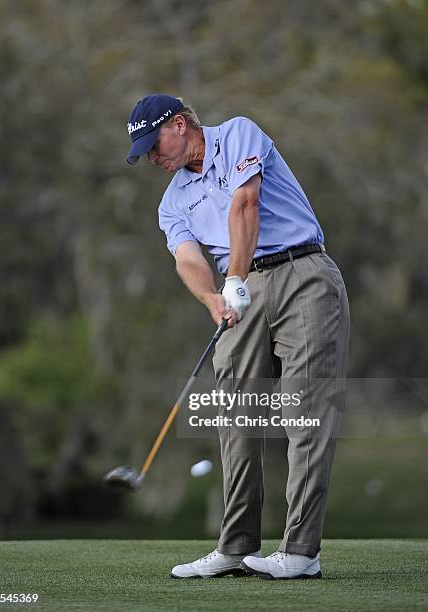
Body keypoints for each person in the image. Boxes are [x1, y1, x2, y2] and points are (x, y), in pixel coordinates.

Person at [126, 94, 350, 580]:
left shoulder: (238, 134)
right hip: (238, 289)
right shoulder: (173, 200)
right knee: (236, 415)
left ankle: (300, 551)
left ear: (180, 125)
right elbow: (187, 257)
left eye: (153, 144)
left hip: (302, 274)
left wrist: (235, 280)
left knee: (305, 411)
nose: (152, 157)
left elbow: (245, 202)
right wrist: (212, 297)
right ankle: (235, 546)